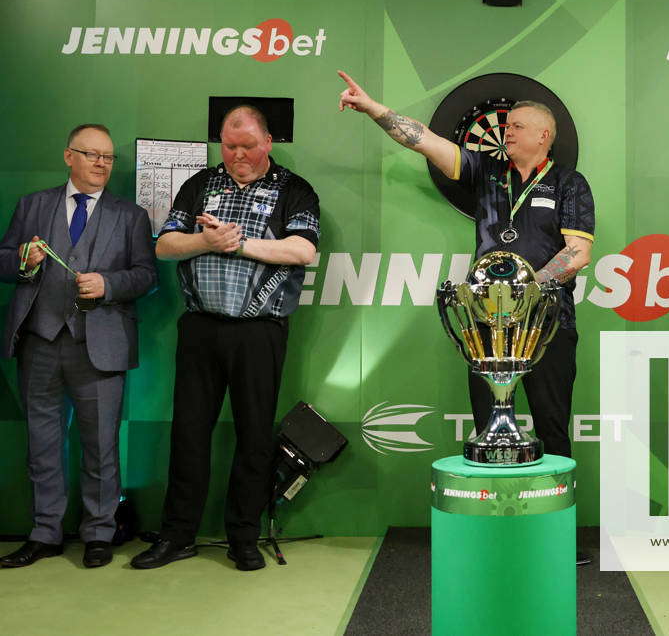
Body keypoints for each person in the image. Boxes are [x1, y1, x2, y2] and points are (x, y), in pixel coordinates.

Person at [337, 71, 595, 563]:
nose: (506, 132)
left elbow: (576, 253)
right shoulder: (487, 172)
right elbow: (426, 142)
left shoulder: (569, 183)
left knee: (553, 427)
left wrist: (525, 292)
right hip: (488, 330)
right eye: (505, 126)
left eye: (517, 126)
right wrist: (374, 109)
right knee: (488, 428)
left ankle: (554, 538)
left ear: (544, 135)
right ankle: (491, 536)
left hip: (547, 325)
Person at [130, 105, 320, 572]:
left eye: (248, 146)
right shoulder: (200, 184)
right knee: (189, 433)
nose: (238, 155)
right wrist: (205, 242)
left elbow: (303, 249)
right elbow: (165, 244)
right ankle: (177, 536)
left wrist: (238, 244)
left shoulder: (293, 190)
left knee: (255, 436)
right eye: (230, 146)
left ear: (268, 142)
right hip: (200, 327)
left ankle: (243, 537)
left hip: (260, 331)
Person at [0, 124, 157, 568]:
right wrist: (22, 262)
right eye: (92, 155)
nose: (102, 164)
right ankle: (45, 532)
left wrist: (109, 284)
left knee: (101, 445)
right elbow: (3, 260)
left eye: (108, 157)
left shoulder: (131, 216)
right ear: (69, 156)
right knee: (42, 443)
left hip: (101, 345)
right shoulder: (33, 206)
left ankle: (99, 534)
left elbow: (146, 277)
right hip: (40, 342)